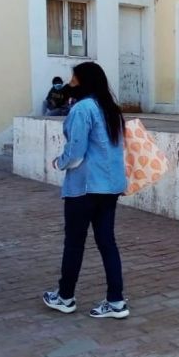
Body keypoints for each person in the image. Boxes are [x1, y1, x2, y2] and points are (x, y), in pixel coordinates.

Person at [43, 62, 130, 319]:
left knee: (74, 243)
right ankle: (116, 301)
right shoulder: (111, 109)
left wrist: (59, 162)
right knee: (107, 242)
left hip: (84, 187)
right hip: (110, 187)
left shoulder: (83, 108)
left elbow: (76, 151)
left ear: (84, 81)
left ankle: (65, 296)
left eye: (74, 78)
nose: (70, 83)